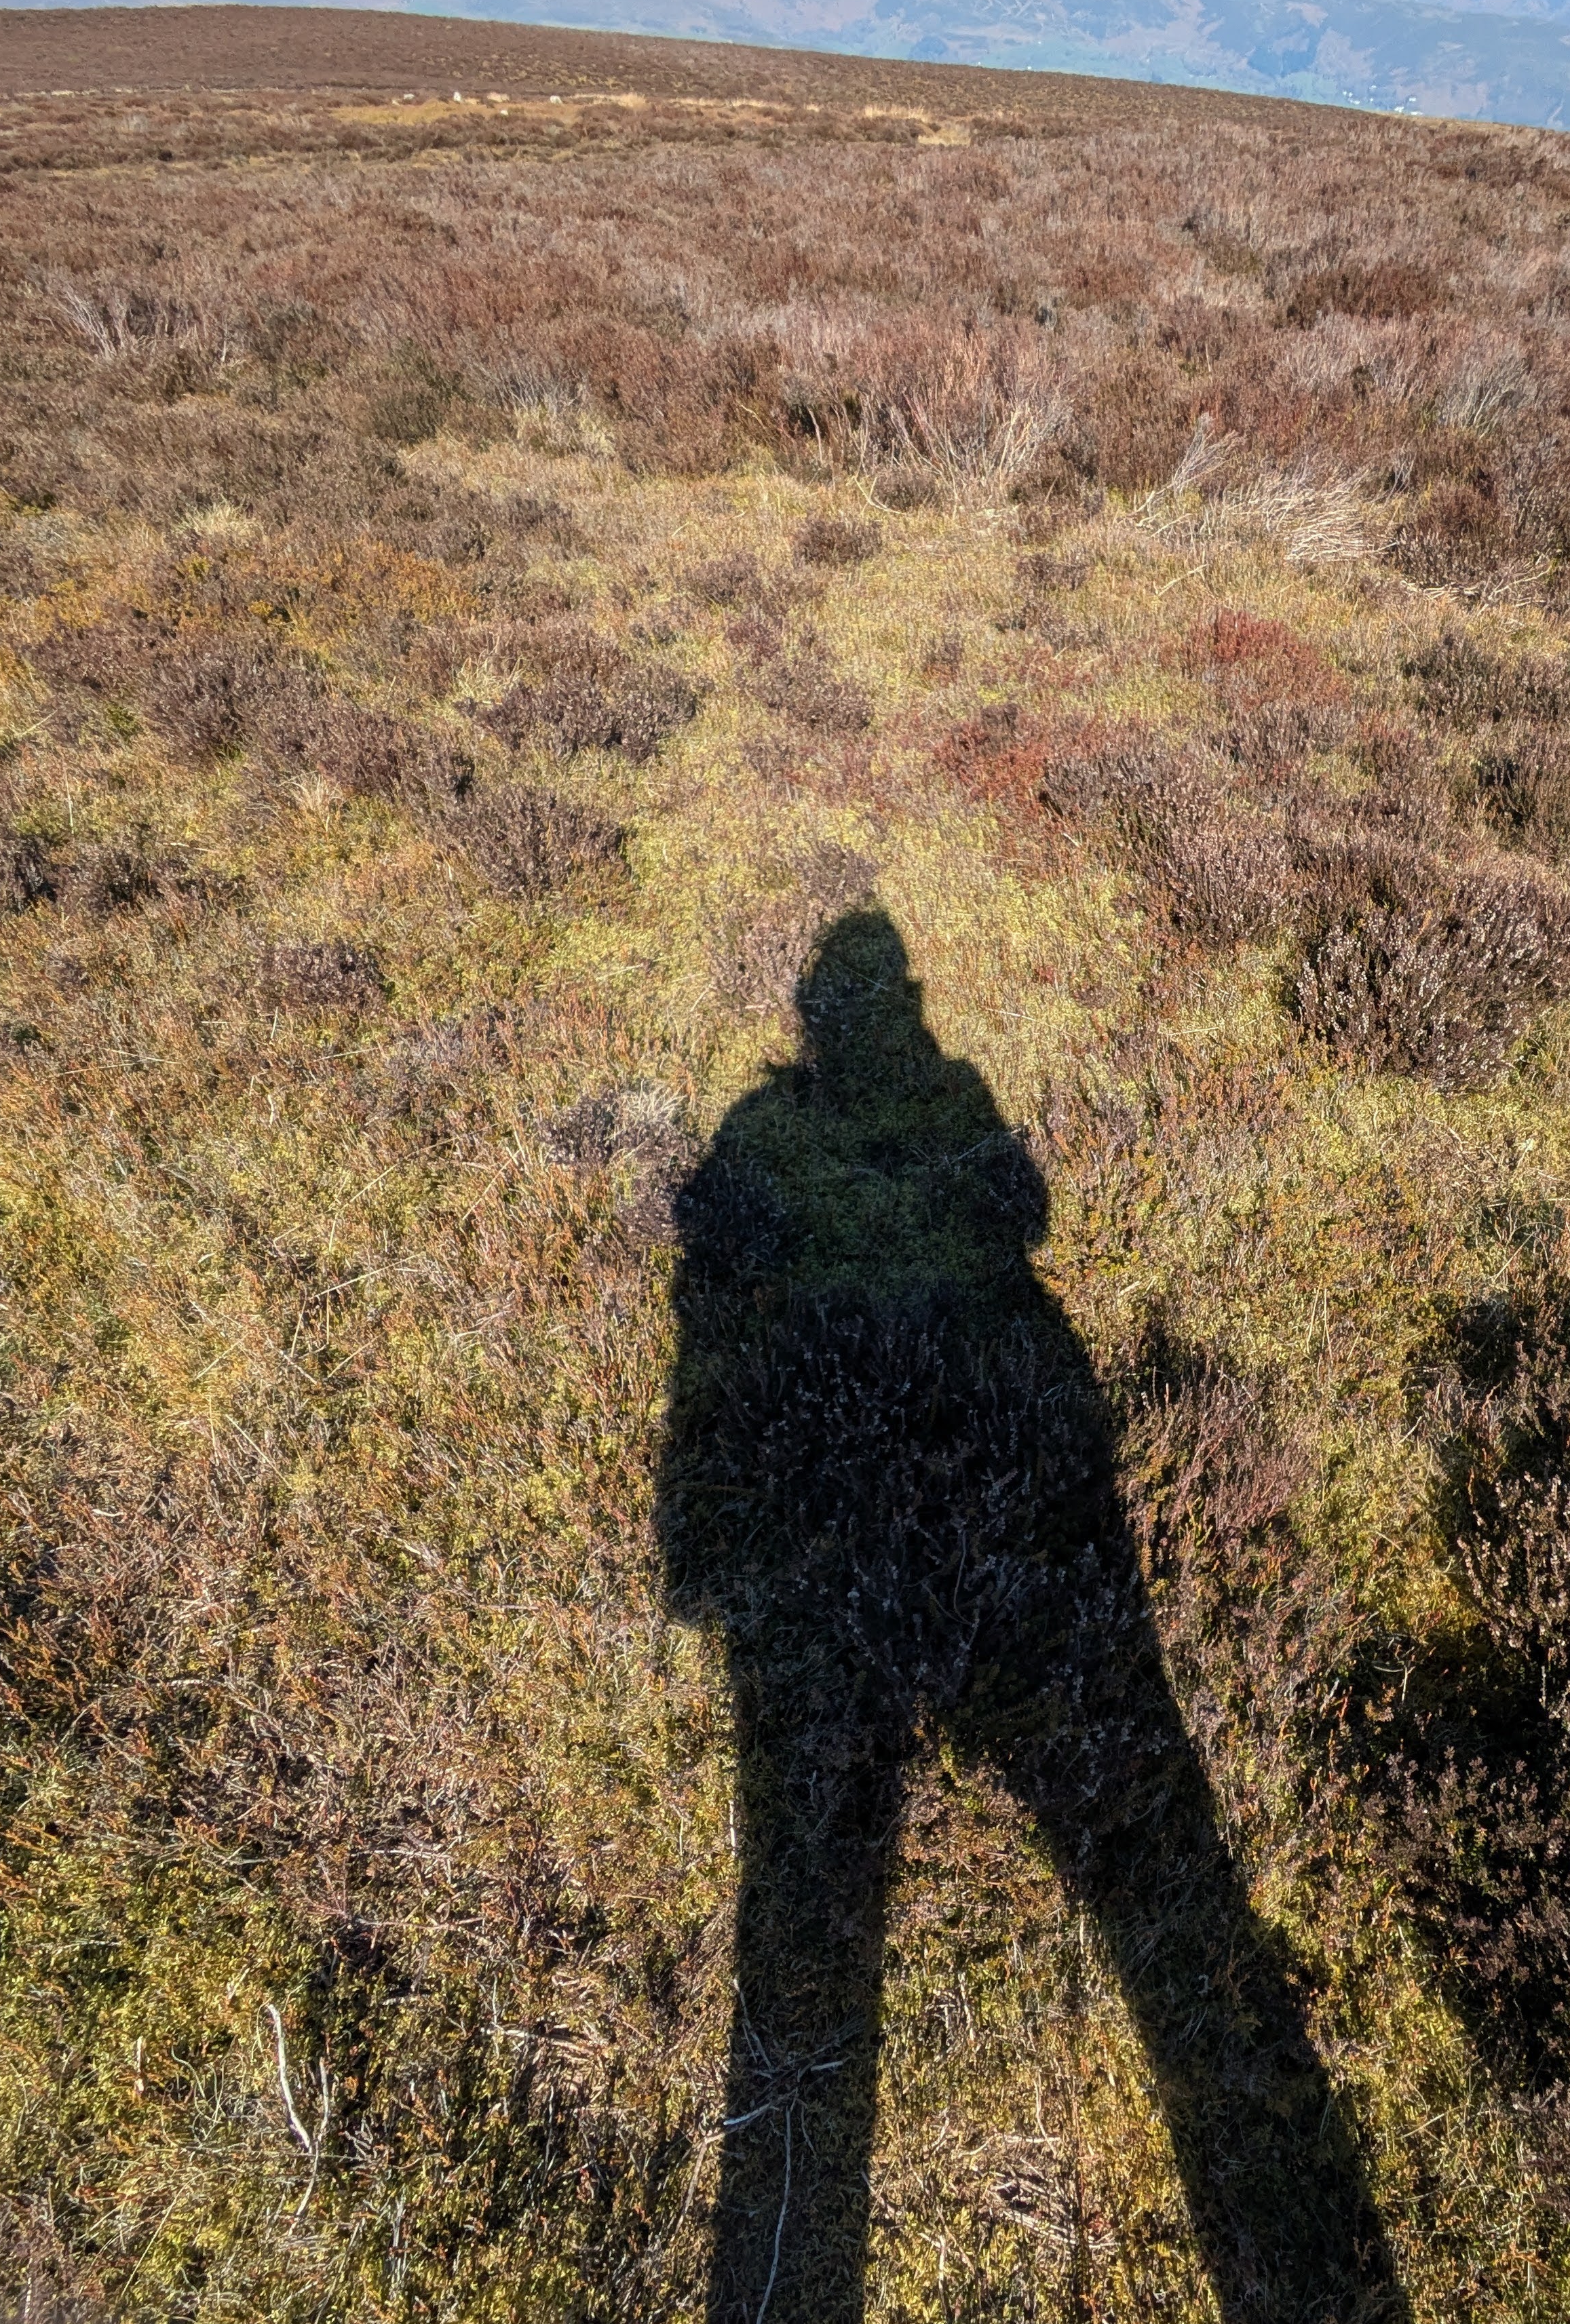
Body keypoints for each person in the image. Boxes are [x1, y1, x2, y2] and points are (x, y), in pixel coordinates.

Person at [659, 908, 1404, 2323]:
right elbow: (1020, 1210)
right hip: (1007, 1515)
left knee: (819, 1897)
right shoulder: (925, 1123)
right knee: (1158, 1880)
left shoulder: (766, 1129)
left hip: (849, 1541)